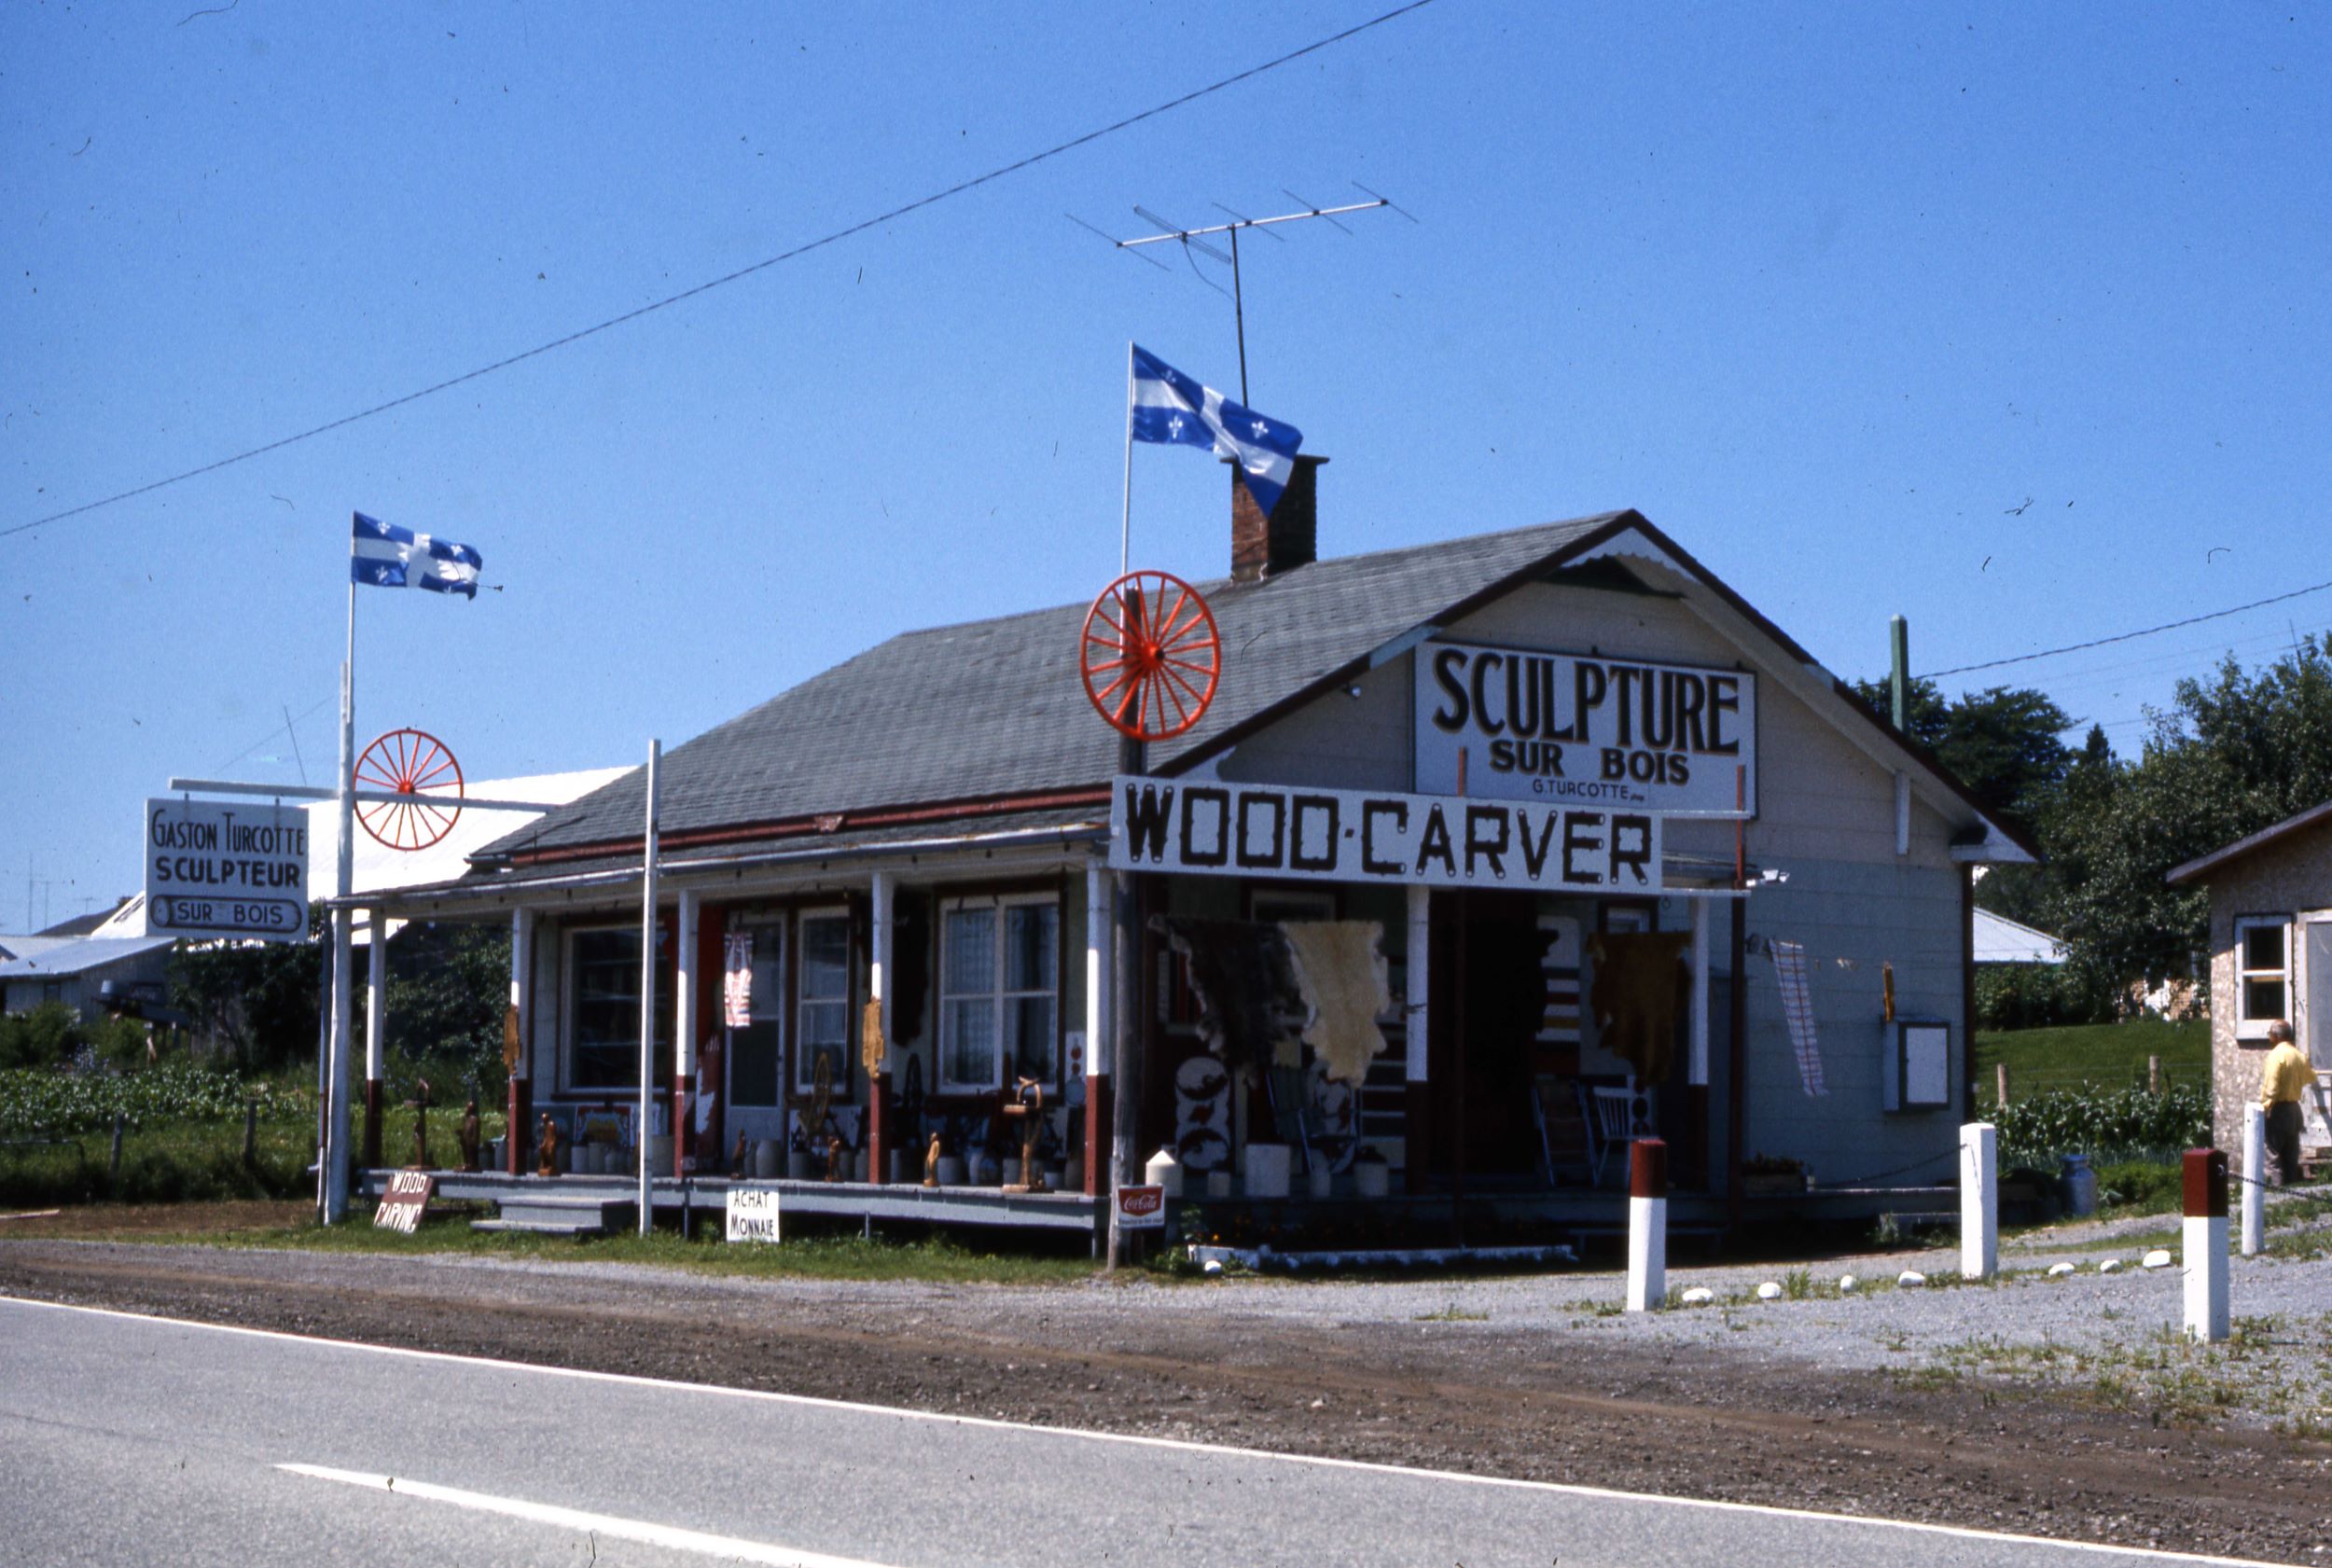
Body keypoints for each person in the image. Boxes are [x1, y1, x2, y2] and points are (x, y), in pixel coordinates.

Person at [2260, 1020, 2311, 1187]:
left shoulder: (2276, 1055)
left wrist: (2265, 1106)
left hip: (2279, 1109)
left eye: (2270, 1035)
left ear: (2275, 1036)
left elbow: (2272, 1087)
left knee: (2272, 1151)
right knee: (2291, 1153)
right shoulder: (2299, 1055)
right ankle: (2293, 1189)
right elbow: (2309, 1077)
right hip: (2295, 1109)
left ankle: (2276, 1187)